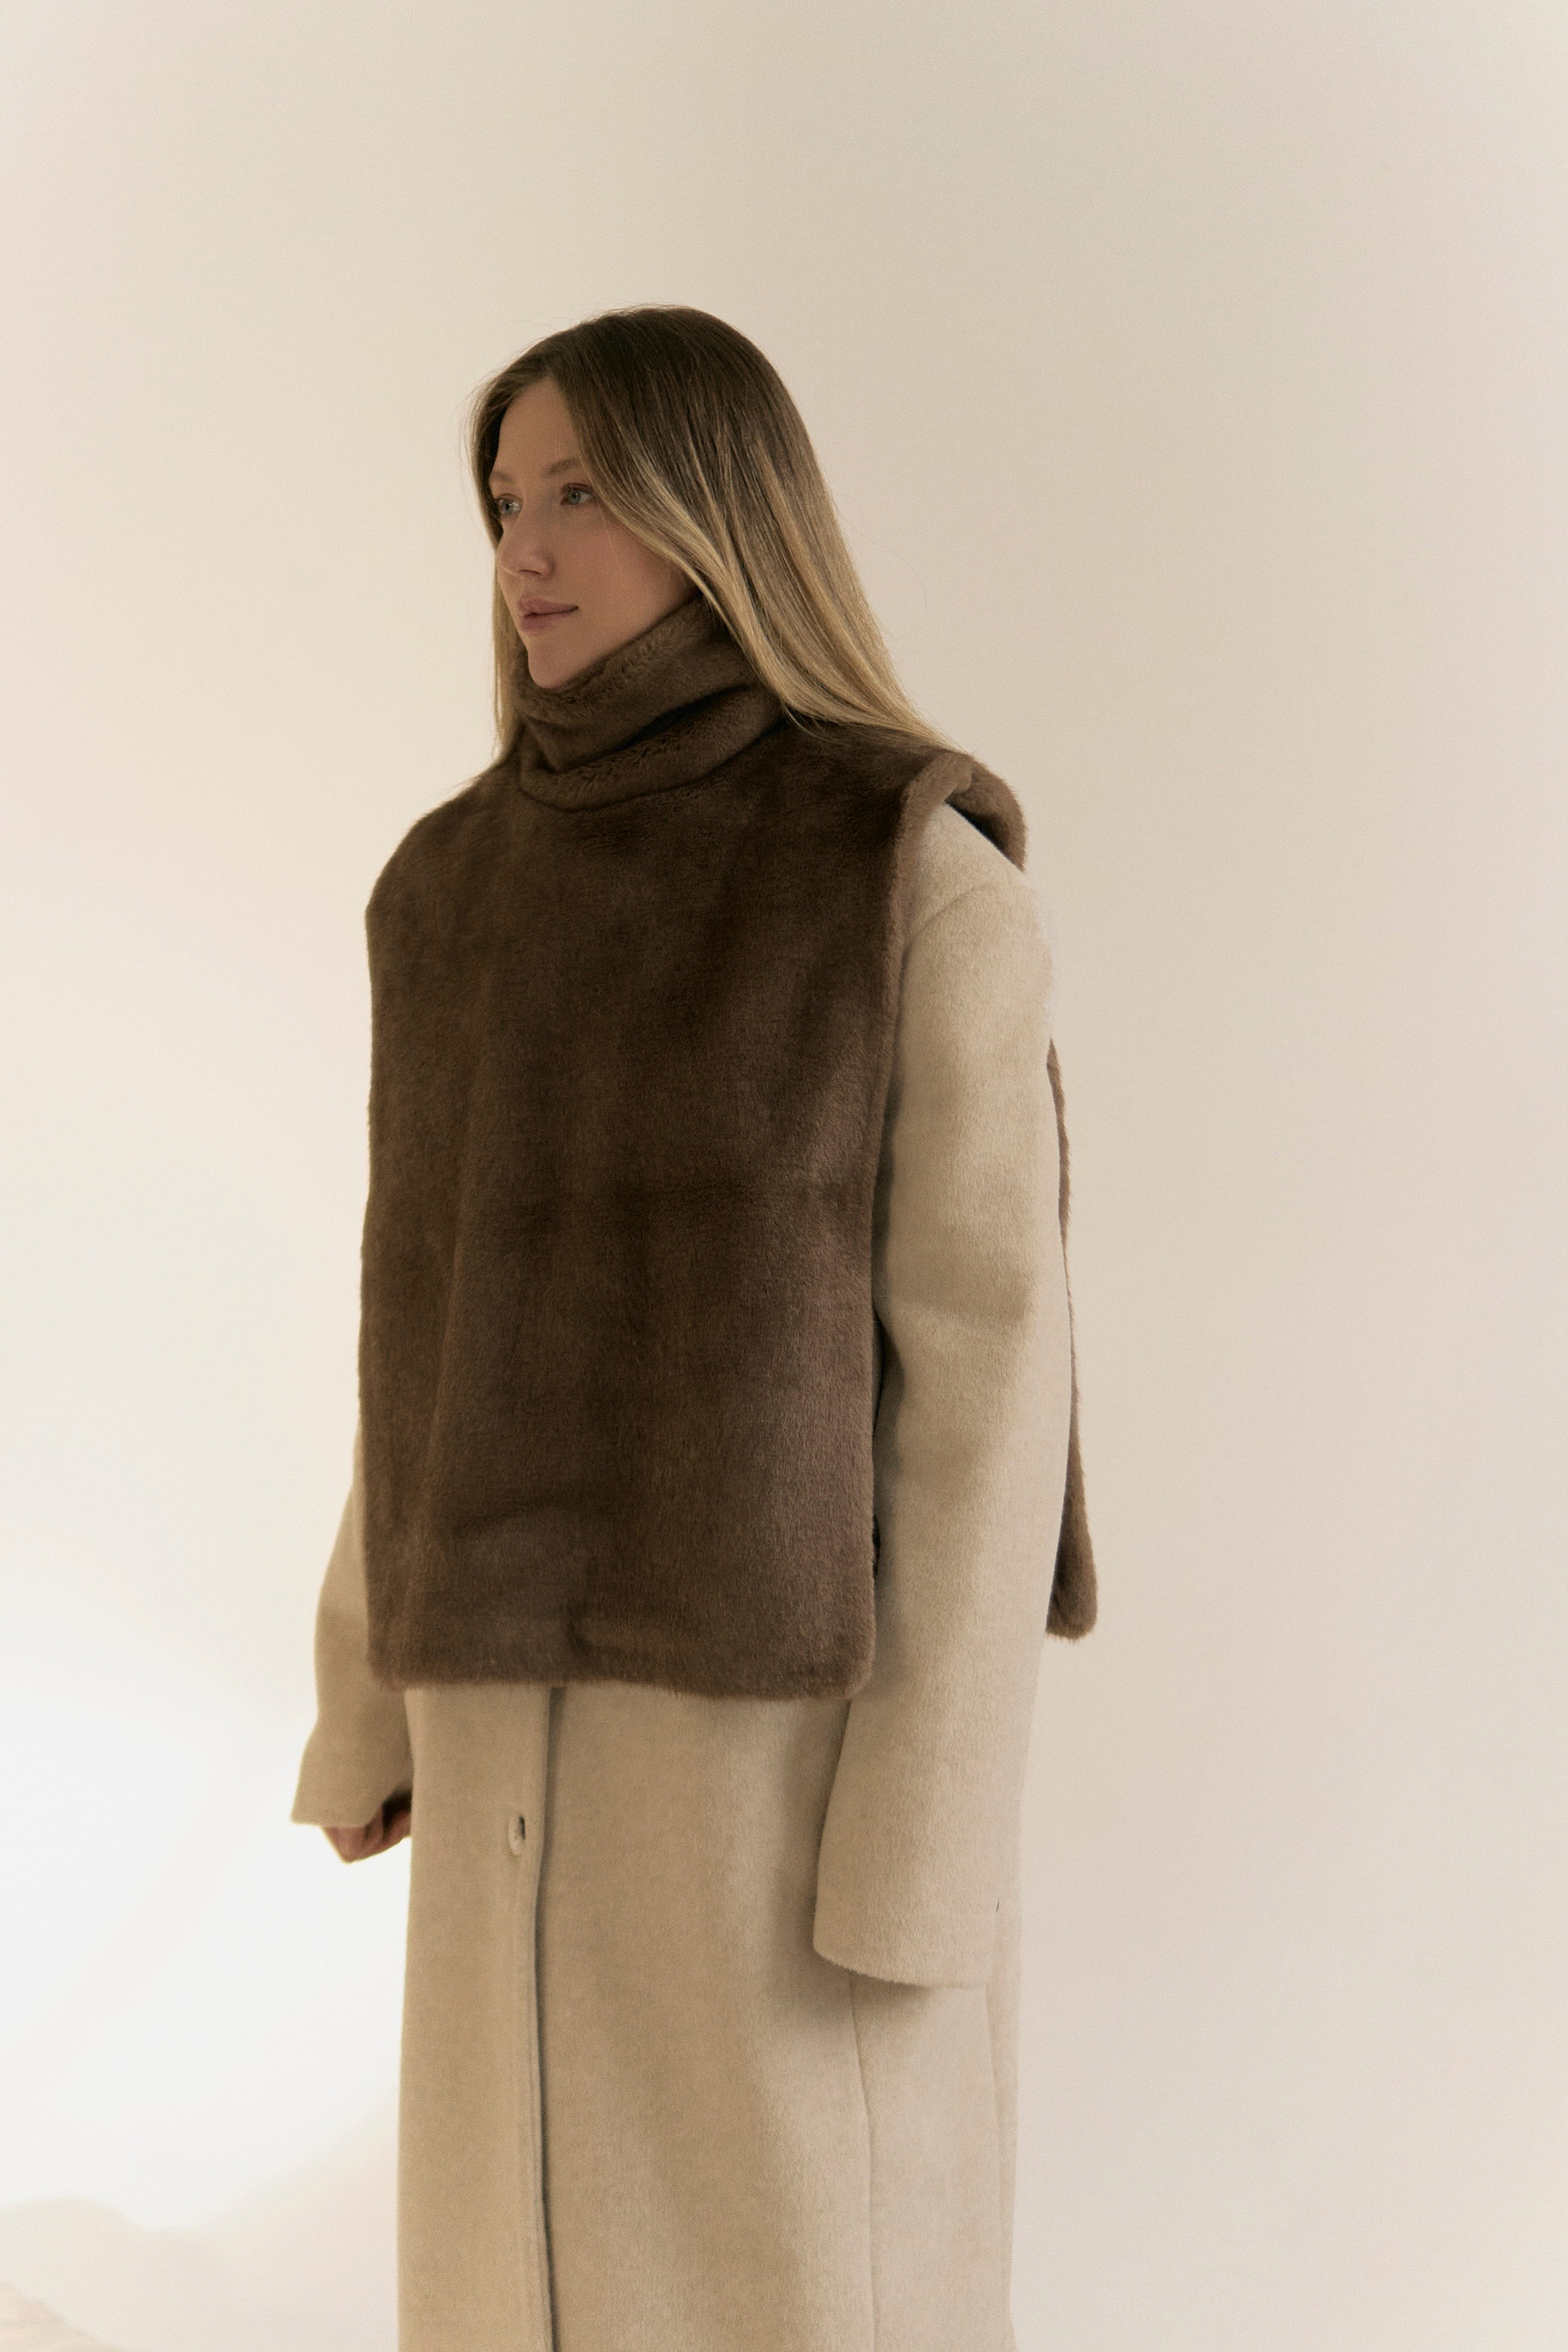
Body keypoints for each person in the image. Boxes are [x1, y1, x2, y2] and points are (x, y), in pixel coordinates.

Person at [291, 303, 1095, 2352]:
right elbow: (413, 1321)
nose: (528, 553)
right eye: (504, 503)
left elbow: (989, 1392)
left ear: (718, 508)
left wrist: (923, 1845)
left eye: (583, 493)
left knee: (794, 2285)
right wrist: (364, 1696)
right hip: (500, 1747)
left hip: (776, 1782)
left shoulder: (901, 874)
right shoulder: (446, 891)